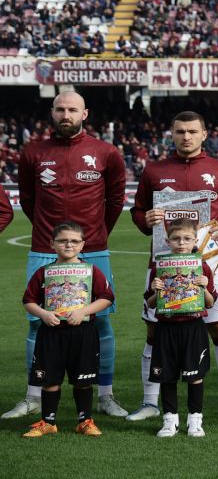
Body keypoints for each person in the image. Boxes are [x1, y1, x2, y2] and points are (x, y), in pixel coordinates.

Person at [5, 91, 127, 420]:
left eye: (72, 109)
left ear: (85, 113)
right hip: (45, 249)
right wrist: (50, 235)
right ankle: (33, 395)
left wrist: (96, 236)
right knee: (37, 322)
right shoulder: (33, 152)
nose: (66, 114)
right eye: (60, 109)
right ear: (52, 113)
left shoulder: (106, 152)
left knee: (100, 320)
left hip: (94, 250)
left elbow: (115, 201)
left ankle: (105, 394)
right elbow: (28, 200)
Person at [126, 111, 218, 421]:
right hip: (162, 265)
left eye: (192, 131)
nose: (186, 136)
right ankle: (149, 402)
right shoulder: (155, 170)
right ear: (172, 133)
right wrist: (144, 219)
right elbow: (138, 209)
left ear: (204, 133)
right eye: (180, 131)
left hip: (207, 266)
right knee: (155, 331)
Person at [21, 221, 114, 438]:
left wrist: (84, 311)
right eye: (63, 241)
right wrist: (43, 314)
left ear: (83, 245)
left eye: (74, 241)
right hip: (51, 334)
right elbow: (28, 300)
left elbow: (107, 298)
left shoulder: (91, 271)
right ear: (52, 244)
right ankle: (48, 422)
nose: (68, 245)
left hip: (83, 333)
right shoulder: (44, 272)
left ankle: (85, 421)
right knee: (49, 379)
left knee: (83, 380)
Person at [144, 218, 216, 438]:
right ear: (167, 241)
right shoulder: (159, 267)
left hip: (193, 327)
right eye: (176, 239)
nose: (181, 243)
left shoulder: (202, 266)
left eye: (186, 239)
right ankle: (170, 420)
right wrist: (156, 291)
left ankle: (195, 420)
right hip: (166, 328)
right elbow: (150, 303)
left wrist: (203, 287)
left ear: (195, 240)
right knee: (167, 376)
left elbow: (211, 302)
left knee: (195, 376)